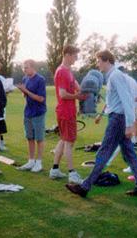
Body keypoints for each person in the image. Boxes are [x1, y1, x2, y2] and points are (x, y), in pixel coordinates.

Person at [66, 50, 137, 197]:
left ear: (106, 61)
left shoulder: (116, 76)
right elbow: (118, 99)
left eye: (98, 61)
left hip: (118, 119)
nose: (97, 64)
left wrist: (129, 125)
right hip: (118, 117)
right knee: (130, 154)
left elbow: (127, 100)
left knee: (103, 152)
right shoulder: (113, 76)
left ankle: (85, 187)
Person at [49, 45, 87, 184]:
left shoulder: (68, 71)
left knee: (64, 140)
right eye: (75, 55)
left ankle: (54, 170)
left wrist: (85, 91)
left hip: (67, 111)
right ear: (67, 55)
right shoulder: (62, 72)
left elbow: (77, 85)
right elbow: (63, 94)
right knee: (69, 143)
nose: (77, 58)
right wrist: (78, 96)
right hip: (66, 112)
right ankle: (72, 173)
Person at [16, 59, 47, 173]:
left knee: (39, 138)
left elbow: (40, 98)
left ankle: (39, 162)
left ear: (33, 67)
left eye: (26, 67)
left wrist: (26, 91)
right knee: (30, 138)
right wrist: (23, 91)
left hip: (38, 112)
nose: (24, 70)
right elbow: (26, 95)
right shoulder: (25, 78)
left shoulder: (40, 80)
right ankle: (31, 161)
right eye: (23, 67)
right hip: (28, 112)